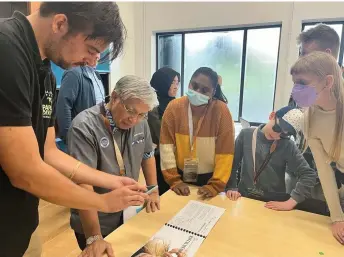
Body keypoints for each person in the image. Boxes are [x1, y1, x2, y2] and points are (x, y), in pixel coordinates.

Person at [0, 3, 148, 256]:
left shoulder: (46, 72)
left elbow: (48, 152)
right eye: (91, 50)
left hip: (19, 222)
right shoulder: (7, 50)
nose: (91, 62)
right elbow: (24, 171)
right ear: (60, 23)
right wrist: (101, 202)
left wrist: (111, 181)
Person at [68, 75, 160, 256]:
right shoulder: (85, 126)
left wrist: (154, 190)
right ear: (115, 97)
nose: (134, 119)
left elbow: (147, 155)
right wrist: (94, 237)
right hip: (95, 219)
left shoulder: (141, 122)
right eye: (130, 111)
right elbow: (82, 183)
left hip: (128, 211)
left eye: (142, 114)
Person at [290, 51, 344, 244]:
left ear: (328, 82)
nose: (296, 90)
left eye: (302, 83)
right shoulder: (309, 119)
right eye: (295, 83)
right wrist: (337, 218)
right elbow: (324, 170)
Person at [225, 106, 318, 212]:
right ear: (272, 116)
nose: (277, 136)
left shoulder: (287, 145)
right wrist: (231, 187)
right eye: (277, 128)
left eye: (285, 134)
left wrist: (291, 202)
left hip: (272, 203)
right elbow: (232, 164)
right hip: (244, 197)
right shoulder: (246, 135)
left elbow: (308, 175)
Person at [160, 67, 234, 198]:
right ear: (189, 83)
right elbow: (166, 147)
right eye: (194, 86)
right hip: (178, 176)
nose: (198, 92)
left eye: (205, 90)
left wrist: (215, 185)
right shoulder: (174, 107)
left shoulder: (221, 111)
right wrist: (174, 180)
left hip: (210, 179)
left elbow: (225, 152)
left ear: (213, 91)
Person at [56, 53, 105, 145]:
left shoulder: (96, 74)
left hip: (95, 133)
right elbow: (63, 106)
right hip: (79, 135)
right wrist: (68, 137)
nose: (98, 56)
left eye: (99, 52)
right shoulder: (73, 72)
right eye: (95, 51)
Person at [148, 67, 180, 195]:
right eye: (172, 82)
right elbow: (160, 135)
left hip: (177, 157)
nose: (176, 86)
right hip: (160, 159)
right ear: (162, 83)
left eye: (177, 83)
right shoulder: (152, 107)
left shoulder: (177, 104)